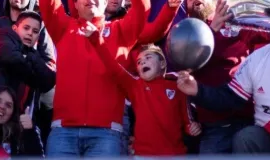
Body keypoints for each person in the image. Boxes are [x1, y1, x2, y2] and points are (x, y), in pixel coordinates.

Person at [40, 0, 151, 157]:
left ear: (106, 1)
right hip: (63, 131)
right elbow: (48, 3)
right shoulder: (64, 28)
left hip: (107, 132)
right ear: (76, 4)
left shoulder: (121, 30)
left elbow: (143, 9)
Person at [177, 8, 270, 153]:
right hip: (268, 143)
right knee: (246, 138)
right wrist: (198, 90)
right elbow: (230, 98)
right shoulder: (257, 59)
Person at [82, 21, 201, 156]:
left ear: (162, 63)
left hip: (174, 154)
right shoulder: (135, 86)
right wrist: (96, 41)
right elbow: (113, 67)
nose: (142, 62)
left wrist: (192, 128)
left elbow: (187, 120)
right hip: (143, 154)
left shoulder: (178, 85)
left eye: (148, 57)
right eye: (138, 62)